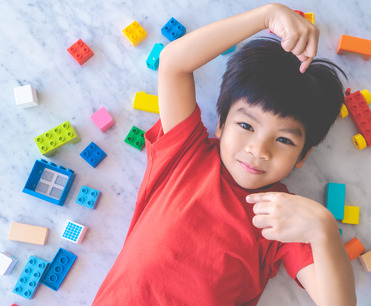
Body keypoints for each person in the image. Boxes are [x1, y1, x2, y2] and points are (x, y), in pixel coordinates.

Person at [93, 3, 356, 305]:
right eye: (246, 125)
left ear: (303, 157)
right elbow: (173, 63)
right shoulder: (185, 154)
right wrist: (265, 16)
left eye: (283, 140)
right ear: (219, 125)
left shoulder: (281, 218)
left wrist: (324, 230)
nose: (258, 149)